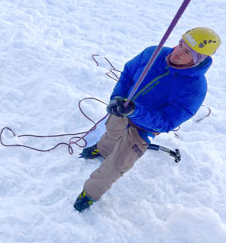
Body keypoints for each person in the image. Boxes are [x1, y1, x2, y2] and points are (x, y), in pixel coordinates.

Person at [74, 27, 221, 212]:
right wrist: (117, 98)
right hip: (123, 107)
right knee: (111, 131)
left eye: (186, 53)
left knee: (117, 164)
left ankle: (89, 194)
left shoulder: (194, 89)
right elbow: (128, 73)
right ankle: (102, 150)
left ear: (198, 60)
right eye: (180, 44)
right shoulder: (154, 53)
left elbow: (167, 121)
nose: (177, 52)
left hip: (144, 127)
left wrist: (135, 111)